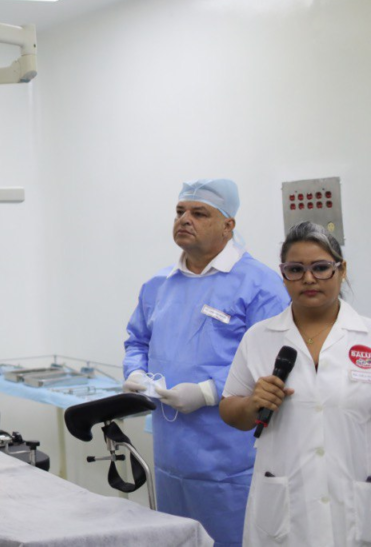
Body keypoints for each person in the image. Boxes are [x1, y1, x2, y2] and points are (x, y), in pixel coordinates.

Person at [122, 178, 290, 546]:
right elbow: (137, 340)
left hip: (233, 461)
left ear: (229, 225)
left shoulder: (260, 285)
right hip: (170, 457)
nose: (185, 219)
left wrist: (208, 391)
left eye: (199, 213)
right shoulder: (158, 285)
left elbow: (275, 364)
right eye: (181, 211)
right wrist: (134, 371)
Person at [221, 221, 370, 545]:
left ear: (341, 270)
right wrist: (251, 405)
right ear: (283, 274)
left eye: (321, 268)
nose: (308, 278)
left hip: (356, 498)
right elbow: (229, 409)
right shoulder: (259, 337)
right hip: (284, 506)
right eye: (295, 269)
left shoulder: (368, 337)